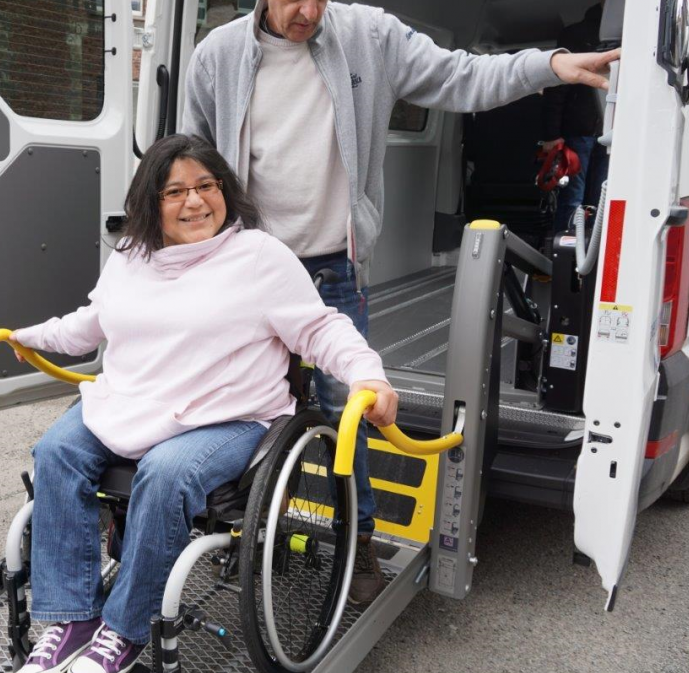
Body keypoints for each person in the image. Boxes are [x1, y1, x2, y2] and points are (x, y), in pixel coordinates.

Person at [181, 0, 620, 603]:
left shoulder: (371, 36)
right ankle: (249, 533)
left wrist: (550, 66)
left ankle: (358, 543)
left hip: (331, 269)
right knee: (238, 413)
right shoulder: (216, 57)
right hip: (246, 272)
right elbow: (190, 167)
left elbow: (463, 75)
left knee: (349, 418)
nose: (307, 11)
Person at [9, 134, 397, 673]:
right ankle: (73, 619)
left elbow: (321, 328)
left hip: (227, 414)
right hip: (134, 398)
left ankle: (122, 632)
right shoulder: (132, 255)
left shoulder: (259, 257)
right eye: (175, 192)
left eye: (205, 186)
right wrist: (28, 336)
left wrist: (367, 376)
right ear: (151, 202)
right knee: (56, 452)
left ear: (224, 191)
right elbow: (91, 322)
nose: (194, 202)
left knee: (165, 474)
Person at [542, 2, 610, 233]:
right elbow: (557, 86)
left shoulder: (574, 34)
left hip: (604, 132)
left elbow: (555, 89)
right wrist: (552, 134)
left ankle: (579, 258)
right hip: (585, 132)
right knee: (581, 198)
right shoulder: (575, 35)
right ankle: (568, 257)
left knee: (593, 199)